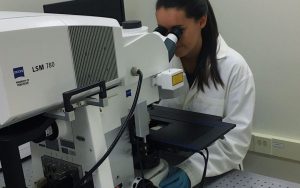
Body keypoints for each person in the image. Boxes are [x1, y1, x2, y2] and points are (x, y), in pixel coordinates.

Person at [155, 0, 255, 187]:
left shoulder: (234, 67)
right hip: (164, 168)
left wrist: (190, 172)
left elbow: (236, 141)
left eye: (178, 31)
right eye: (162, 30)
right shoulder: (160, 63)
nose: (171, 39)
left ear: (201, 21)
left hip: (216, 173)